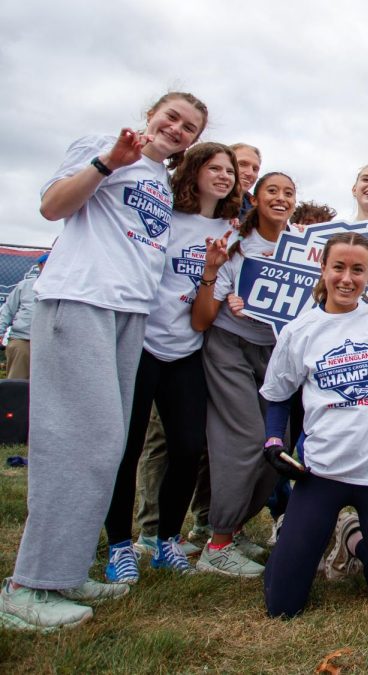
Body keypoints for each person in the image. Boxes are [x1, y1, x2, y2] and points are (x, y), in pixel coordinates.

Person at [0, 91, 207, 631]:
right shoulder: (106, 147)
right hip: (82, 298)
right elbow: (52, 206)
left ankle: (62, 571)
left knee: (105, 446)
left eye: (190, 127)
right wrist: (106, 163)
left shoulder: (160, 180)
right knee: (75, 441)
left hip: (128, 313)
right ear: (150, 116)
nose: (178, 130)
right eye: (172, 118)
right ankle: (26, 586)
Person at [103, 142, 243, 583]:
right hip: (140, 343)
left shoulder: (231, 232)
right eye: (214, 167)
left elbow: (203, 320)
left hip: (186, 350)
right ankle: (121, 545)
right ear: (194, 170)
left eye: (230, 171)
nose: (223, 176)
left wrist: (212, 272)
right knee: (125, 449)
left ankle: (167, 541)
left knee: (187, 448)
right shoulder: (165, 216)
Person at [260, 232, 368, 618]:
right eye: (339, 268)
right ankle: (317, 543)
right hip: (322, 473)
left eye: (358, 270)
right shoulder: (301, 331)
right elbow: (277, 394)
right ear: (323, 268)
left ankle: (354, 543)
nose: (347, 278)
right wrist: (273, 439)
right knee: (281, 607)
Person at [191, 172, 298, 577]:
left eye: (289, 192)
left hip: (274, 350)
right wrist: (225, 293)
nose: (281, 198)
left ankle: (232, 529)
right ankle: (216, 544)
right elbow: (205, 315)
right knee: (246, 440)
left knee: (278, 445)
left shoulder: (303, 244)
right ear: (256, 197)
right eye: (273, 190)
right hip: (230, 344)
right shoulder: (238, 243)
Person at [0, 253, 46, 380]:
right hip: (23, 340)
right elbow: (8, 310)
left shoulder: (64, 288)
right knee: (16, 386)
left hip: (49, 344)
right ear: (41, 265)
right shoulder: (25, 285)